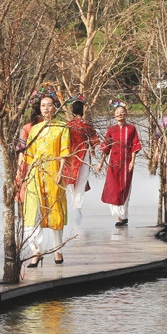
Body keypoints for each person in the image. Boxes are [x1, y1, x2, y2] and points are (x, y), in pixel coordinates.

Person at [21, 94, 71, 265]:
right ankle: (36, 250)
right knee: (32, 213)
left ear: (54, 107)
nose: (46, 108)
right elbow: (29, 155)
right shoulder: (35, 129)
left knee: (55, 211)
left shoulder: (62, 127)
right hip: (36, 173)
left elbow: (65, 151)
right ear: (39, 108)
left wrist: (61, 171)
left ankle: (58, 250)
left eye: (49, 105)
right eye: (43, 105)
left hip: (54, 172)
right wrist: (26, 174)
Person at [100, 100, 143, 227]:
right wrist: (101, 163)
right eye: (117, 112)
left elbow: (135, 145)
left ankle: (124, 215)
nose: (120, 114)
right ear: (114, 115)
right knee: (113, 189)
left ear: (126, 114)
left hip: (126, 163)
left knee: (124, 188)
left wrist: (132, 161)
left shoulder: (131, 129)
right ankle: (118, 217)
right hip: (113, 163)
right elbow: (106, 148)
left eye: (122, 112)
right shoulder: (111, 130)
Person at [62, 96, 100, 232]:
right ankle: (77, 208)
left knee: (71, 181)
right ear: (82, 110)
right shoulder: (87, 125)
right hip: (84, 156)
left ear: (72, 111)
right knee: (81, 182)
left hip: (70, 157)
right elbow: (94, 142)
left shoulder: (67, 126)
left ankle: (74, 208)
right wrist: (94, 153)